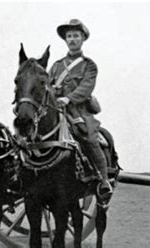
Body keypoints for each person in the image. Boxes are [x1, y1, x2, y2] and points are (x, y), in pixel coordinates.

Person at [48, 19, 113, 200]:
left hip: (79, 111)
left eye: (76, 36)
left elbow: (86, 88)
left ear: (83, 38)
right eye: (69, 36)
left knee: (89, 136)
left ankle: (103, 180)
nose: (72, 39)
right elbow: (47, 86)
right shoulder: (56, 65)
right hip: (56, 109)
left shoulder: (89, 65)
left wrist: (68, 98)